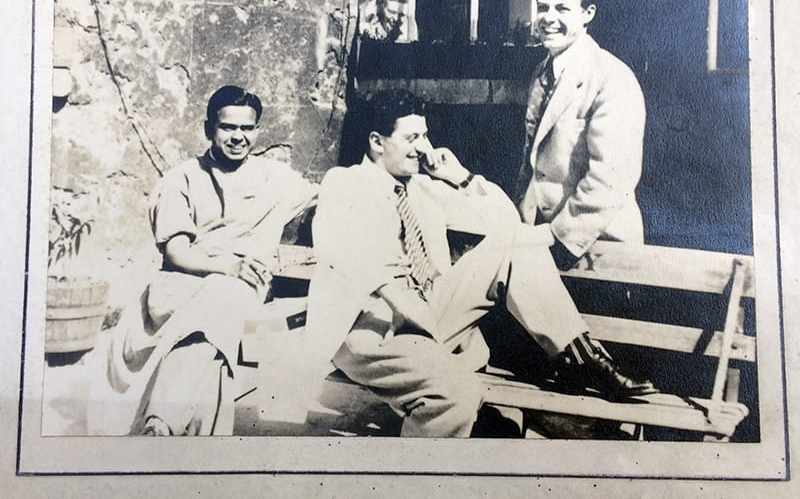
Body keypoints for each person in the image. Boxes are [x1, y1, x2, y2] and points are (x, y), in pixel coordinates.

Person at [303, 89, 656, 438]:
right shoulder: (345, 183)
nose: (423, 147)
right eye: (412, 137)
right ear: (378, 142)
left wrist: (461, 177)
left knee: (515, 246)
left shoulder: (425, 189)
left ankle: (582, 356)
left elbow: (507, 224)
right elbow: (364, 268)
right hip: (373, 327)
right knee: (455, 394)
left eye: (425, 136)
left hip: (426, 314)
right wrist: (429, 334)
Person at [103, 85, 316, 436]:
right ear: (208, 129)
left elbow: (328, 196)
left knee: (225, 298)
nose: (238, 137)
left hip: (238, 287)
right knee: (217, 327)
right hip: (183, 285)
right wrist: (228, 266)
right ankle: (183, 436)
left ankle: (161, 423)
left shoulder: (273, 178)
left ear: (257, 131)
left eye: (246, 129)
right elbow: (177, 253)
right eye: (227, 128)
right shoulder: (181, 179)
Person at [514, 0, 646, 270]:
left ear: (588, 14)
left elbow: (611, 179)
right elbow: (531, 164)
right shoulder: (540, 74)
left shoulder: (612, 77)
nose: (548, 18)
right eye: (543, 7)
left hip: (596, 249)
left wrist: (558, 239)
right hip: (540, 243)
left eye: (562, 8)